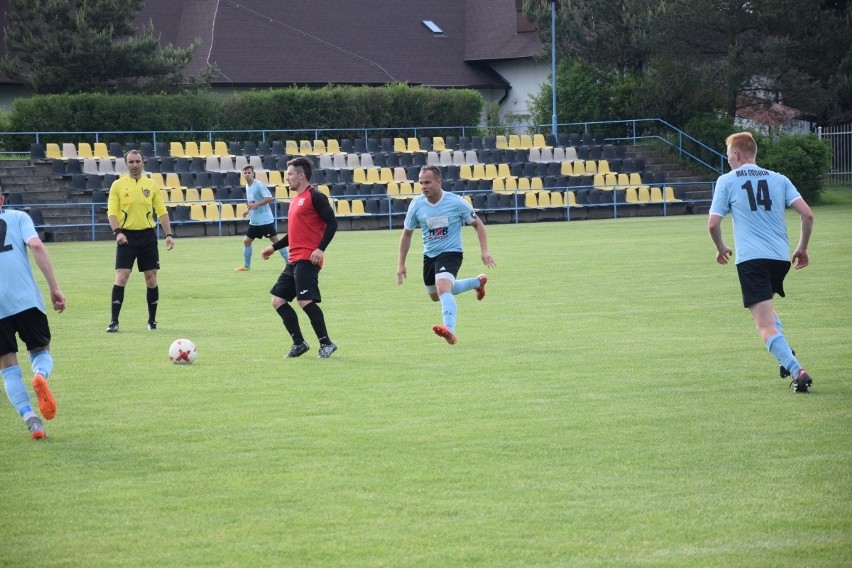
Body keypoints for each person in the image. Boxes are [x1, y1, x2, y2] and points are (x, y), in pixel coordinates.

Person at [708, 131, 815, 393]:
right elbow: (808, 215)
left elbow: (713, 224)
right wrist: (802, 248)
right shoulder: (779, 179)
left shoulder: (727, 180)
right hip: (780, 258)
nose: (728, 161)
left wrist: (721, 247)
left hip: (752, 260)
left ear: (736, 155)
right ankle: (785, 353)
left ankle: (796, 370)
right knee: (768, 312)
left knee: (764, 325)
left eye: (728, 156)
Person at [397, 165, 496, 345]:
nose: (423, 186)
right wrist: (401, 264)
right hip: (430, 255)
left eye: (427, 182)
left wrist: (484, 251)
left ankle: (449, 330)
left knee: (443, 288)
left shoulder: (456, 202)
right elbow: (407, 233)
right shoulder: (417, 205)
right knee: (436, 295)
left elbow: (478, 225)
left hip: (451, 253)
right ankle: (477, 282)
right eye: (421, 183)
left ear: (438, 181)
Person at [0, 193, 65, 439]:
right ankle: (40, 376)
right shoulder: (19, 217)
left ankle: (32, 421)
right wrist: (54, 287)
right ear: (2, 199)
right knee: (40, 351)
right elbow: (36, 245)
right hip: (26, 299)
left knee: (7, 366)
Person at [261, 157, 339, 359]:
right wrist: (273, 247)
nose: (287, 178)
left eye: (290, 174)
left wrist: (320, 249)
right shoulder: (295, 200)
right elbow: (293, 234)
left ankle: (326, 344)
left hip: (308, 259)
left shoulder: (316, 196)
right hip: (293, 260)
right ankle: (299, 343)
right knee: (278, 301)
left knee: (305, 300)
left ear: (301, 175)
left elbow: (332, 223)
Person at [105, 149, 174, 332]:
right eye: (131, 162)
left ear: (143, 163)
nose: (135, 165)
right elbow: (111, 212)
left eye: (138, 162)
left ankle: (152, 321)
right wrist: (117, 232)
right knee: (122, 276)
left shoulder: (151, 184)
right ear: (126, 164)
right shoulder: (118, 185)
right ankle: (114, 322)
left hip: (148, 236)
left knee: (151, 278)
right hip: (126, 236)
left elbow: (161, 210)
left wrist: (168, 235)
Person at [234, 164, 287, 271]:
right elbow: (252, 203)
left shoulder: (259, 185)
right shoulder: (247, 187)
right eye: (245, 173)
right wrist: (246, 210)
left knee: (276, 241)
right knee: (246, 241)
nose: (247, 174)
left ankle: (289, 263)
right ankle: (246, 266)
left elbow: (269, 198)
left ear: (253, 174)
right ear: (243, 175)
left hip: (265, 220)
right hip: (255, 221)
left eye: (249, 172)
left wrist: (256, 205)